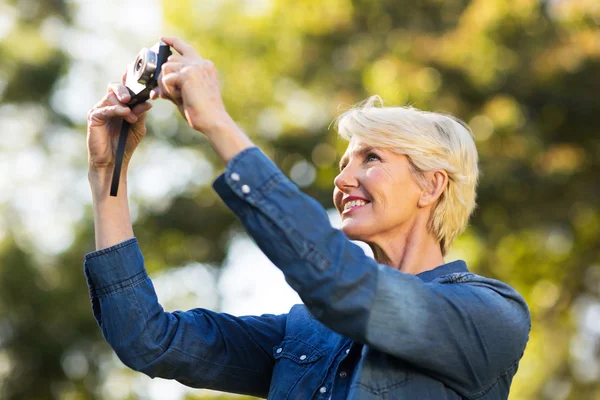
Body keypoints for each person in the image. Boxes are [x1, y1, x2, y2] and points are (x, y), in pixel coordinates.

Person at [84, 36, 530, 399]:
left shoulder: (491, 315)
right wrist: (108, 178)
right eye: (342, 166)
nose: (344, 181)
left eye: (370, 158)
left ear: (431, 186)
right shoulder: (303, 333)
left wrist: (217, 123)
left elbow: (346, 288)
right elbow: (148, 339)